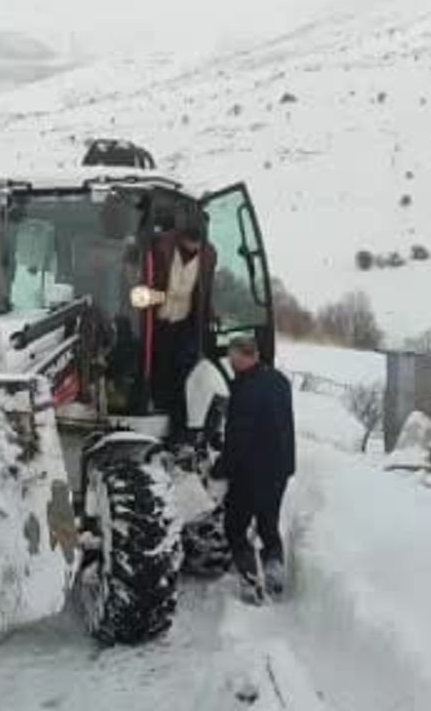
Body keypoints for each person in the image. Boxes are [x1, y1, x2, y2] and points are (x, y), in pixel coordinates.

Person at [218, 334, 296, 602]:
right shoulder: (279, 381)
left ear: (244, 356)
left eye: (232, 357)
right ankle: (275, 574)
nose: (230, 362)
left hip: (251, 471)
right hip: (280, 468)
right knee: (268, 525)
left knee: (234, 526)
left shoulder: (244, 388)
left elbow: (239, 436)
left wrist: (222, 468)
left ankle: (252, 584)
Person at [150, 208, 216, 438]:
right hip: (155, 321)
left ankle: (178, 430)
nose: (194, 247)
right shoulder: (161, 245)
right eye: (190, 241)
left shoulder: (209, 255)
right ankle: (155, 410)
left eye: (198, 243)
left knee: (182, 376)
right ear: (181, 235)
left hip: (185, 323)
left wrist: (209, 315)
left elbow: (206, 290)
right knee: (156, 369)